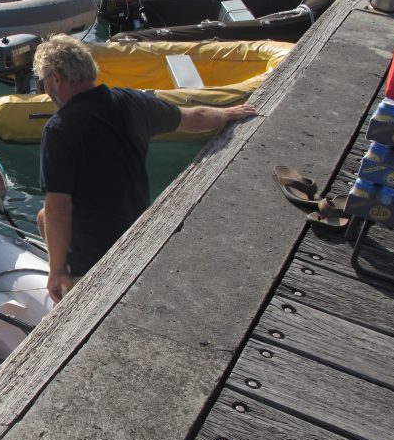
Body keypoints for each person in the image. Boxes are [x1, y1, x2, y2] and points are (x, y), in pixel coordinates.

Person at [34, 34, 256, 303]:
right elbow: (192, 118)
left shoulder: (60, 129)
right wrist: (228, 113)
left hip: (92, 257)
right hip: (137, 234)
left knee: (49, 215)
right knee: (42, 216)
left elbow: (60, 208)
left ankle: (65, 279)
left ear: (56, 78)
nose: (45, 89)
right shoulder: (130, 101)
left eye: (42, 81)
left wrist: (57, 270)